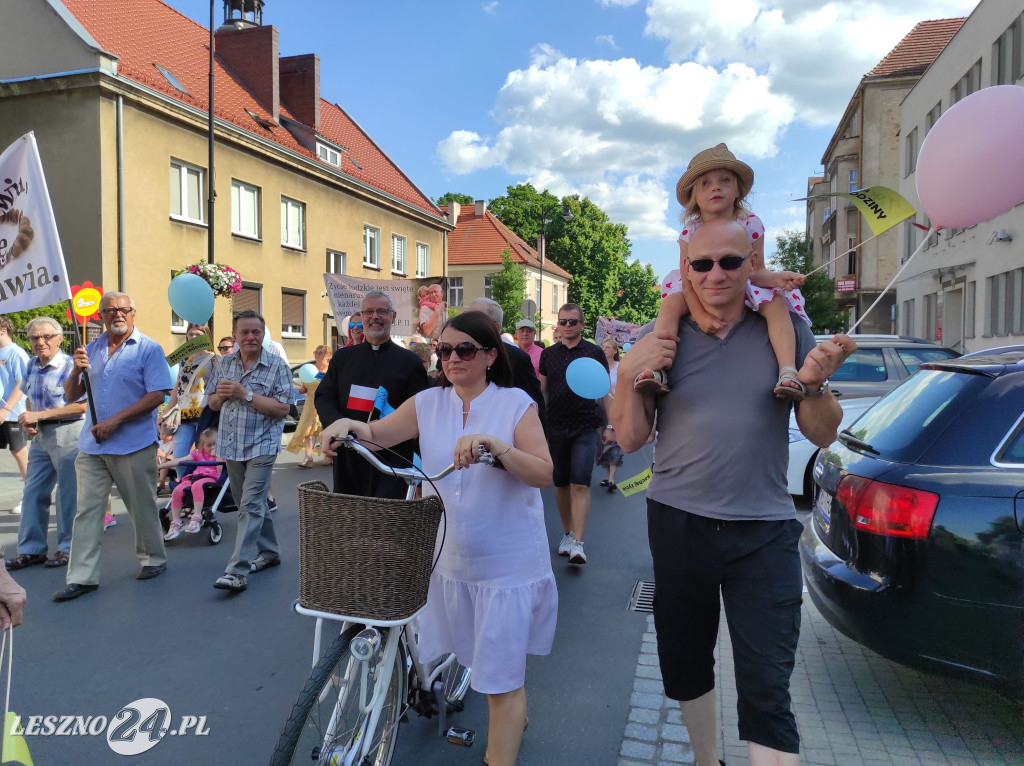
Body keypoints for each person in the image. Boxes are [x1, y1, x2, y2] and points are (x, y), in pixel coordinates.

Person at [610, 218, 853, 766]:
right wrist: (627, 375)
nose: (715, 274)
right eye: (702, 263)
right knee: (686, 662)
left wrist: (813, 384)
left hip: (763, 530)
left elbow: (823, 431)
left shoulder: (783, 330)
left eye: (730, 262)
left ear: (752, 265)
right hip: (677, 522)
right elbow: (629, 439)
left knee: (767, 682)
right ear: (685, 269)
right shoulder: (661, 338)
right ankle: (705, 760)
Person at [321, 311, 556, 766]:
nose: (452, 358)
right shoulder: (429, 402)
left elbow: (544, 473)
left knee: (501, 682)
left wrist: (497, 446)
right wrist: (349, 427)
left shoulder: (515, 405)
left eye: (464, 349)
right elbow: (377, 434)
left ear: (490, 355)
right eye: (444, 350)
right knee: (483, 660)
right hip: (447, 557)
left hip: (504, 564)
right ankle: (511, 712)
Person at [635, 144, 809, 399]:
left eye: (724, 180)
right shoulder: (690, 231)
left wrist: (776, 278)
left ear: (737, 188)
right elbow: (688, 275)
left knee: (775, 304)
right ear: (694, 195)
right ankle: (658, 368)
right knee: (671, 304)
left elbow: (755, 270)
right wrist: (700, 314)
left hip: (741, 281)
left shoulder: (750, 223)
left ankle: (788, 371)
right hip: (696, 286)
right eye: (705, 183)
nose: (715, 187)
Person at [54, 292, 173, 602]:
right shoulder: (90, 349)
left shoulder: (149, 349)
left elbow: (157, 395)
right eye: (110, 310)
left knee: (140, 505)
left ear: (133, 312)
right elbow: (70, 396)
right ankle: (82, 576)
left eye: (123, 310)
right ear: (101, 315)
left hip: (133, 443)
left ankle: (152, 559)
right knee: (87, 512)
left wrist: (116, 420)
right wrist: (76, 371)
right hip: (92, 446)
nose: (117, 314)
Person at [206, 310, 292, 593]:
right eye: (245, 332)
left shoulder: (277, 366)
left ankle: (237, 570)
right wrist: (221, 395)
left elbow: (283, 409)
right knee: (249, 503)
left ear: (263, 334)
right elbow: (213, 405)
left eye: (256, 332)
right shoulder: (222, 364)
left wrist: (246, 394)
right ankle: (269, 552)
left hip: (262, 444)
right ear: (235, 336)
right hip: (232, 444)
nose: (251, 337)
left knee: (251, 503)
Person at [316, 291, 428, 498]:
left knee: (387, 522)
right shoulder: (343, 358)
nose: (374, 316)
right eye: (369, 312)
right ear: (361, 316)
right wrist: (339, 425)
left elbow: (420, 408)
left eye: (382, 311)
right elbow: (324, 397)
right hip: (348, 453)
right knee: (349, 517)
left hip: (391, 456)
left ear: (393, 317)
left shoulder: (410, 362)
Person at [5, 317, 86, 570]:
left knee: (67, 495)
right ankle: (31, 550)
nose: (41, 342)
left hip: (69, 431)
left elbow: (83, 404)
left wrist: (39, 416)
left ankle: (67, 548)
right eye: (34, 338)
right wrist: (30, 421)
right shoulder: (31, 364)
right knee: (33, 491)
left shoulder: (70, 365)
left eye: (47, 337)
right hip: (42, 435)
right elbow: (30, 397)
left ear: (60, 338)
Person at [538, 303, 612, 566]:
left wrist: (611, 426)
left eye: (572, 321)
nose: (567, 326)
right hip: (556, 425)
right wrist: (538, 425)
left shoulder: (594, 352)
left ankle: (578, 543)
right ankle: (568, 534)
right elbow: (543, 391)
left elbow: (604, 391)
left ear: (582, 324)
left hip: (585, 425)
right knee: (560, 483)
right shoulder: (548, 355)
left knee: (580, 482)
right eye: (563, 322)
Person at [467, 299, 545, 424]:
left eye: (475, 319)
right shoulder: (456, 352)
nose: (466, 323)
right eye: (466, 317)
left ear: (495, 326)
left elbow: (534, 404)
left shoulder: (515, 358)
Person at [164, 323, 217, 459]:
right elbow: (178, 387)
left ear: (206, 337)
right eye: (191, 334)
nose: (193, 337)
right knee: (179, 456)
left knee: (203, 456)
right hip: (184, 415)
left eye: (198, 335)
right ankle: (183, 480)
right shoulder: (184, 360)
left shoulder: (214, 359)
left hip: (204, 414)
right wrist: (167, 411)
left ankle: (199, 480)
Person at [162, 428, 220, 540]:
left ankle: (196, 517)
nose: (213, 447)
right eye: (209, 445)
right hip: (194, 478)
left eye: (215, 444)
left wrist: (217, 456)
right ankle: (176, 522)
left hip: (210, 478)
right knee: (177, 490)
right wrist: (159, 467)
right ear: (202, 446)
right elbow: (180, 460)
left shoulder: (221, 454)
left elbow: (219, 470)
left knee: (197, 486)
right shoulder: (198, 453)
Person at [0, 316, 29, 511]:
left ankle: (30, 496)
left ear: (2, 329)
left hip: (12, 413)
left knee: (18, 452)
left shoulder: (17, 353)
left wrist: (6, 408)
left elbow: (22, 382)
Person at [286, 345, 332, 466]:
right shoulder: (309, 369)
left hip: (326, 403)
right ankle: (308, 458)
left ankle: (327, 455)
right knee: (308, 431)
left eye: (321, 352)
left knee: (325, 430)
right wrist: (298, 389)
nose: (317, 354)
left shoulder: (331, 369)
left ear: (328, 356)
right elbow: (304, 388)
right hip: (310, 405)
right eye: (316, 352)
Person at [596, 338, 623, 492]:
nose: (604, 349)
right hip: (599, 408)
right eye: (602, 346)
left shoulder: (620, 368)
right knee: (602, 442)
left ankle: (612, 478)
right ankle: (608, 476)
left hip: (615, 407)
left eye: (607, 347)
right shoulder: (598, 368)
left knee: (614, 442)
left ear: (614, 351)